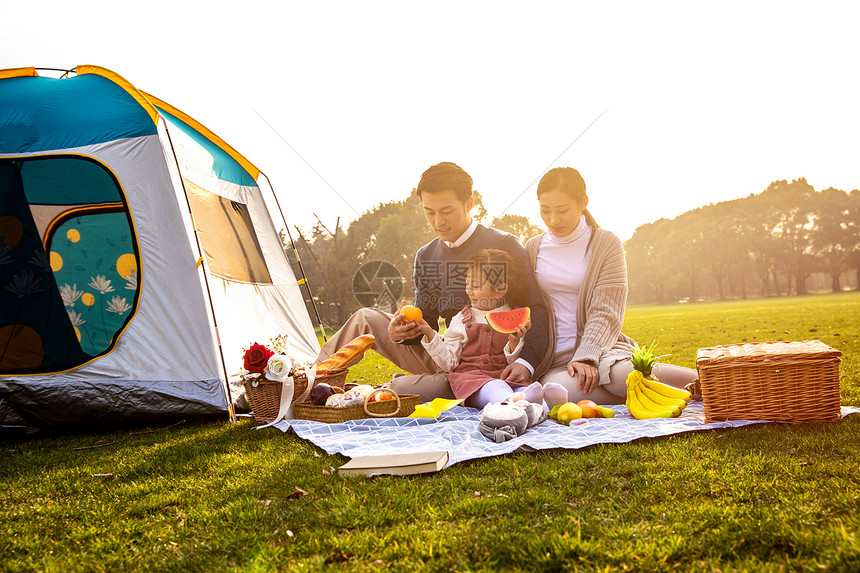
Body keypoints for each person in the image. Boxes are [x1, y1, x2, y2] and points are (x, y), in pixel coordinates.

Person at [316, 162, 550, 400]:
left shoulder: (505, 245)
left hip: (499, 362)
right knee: (364, 317)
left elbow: (536, 309)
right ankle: (308, 386)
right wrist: (402, 332)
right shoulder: (426, 255)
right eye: (430, 212)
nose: (438, 222)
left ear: (469, 204)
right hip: (447, 353)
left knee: (403, 389)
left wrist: (525, 362)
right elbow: (426, 320)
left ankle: (402, 388)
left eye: (446, 211)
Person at [525, 167, 697, 405]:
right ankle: (649, 397)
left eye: (562, 210)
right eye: (545, 210)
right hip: (555, 362)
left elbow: (607, 310)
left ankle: (712, 384)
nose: (554, 220)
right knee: (556, 395)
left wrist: (587, 356)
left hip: (603, 349)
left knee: (625, 376)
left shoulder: (606, 244)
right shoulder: (532, 247)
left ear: (583, 202)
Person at [406, 249, 548, 408]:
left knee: (521, 388)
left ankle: (539, 404)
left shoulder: (515, 315)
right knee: (494, 388)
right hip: (471, 382)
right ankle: (520, 403)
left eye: (476, 285)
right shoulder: (461, 318)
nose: (469, 290)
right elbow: (449, 363)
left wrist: (514, 342)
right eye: (467, 283)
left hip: (505, 377)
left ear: (500, 290)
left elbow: (513, 365)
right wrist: (430, 334)